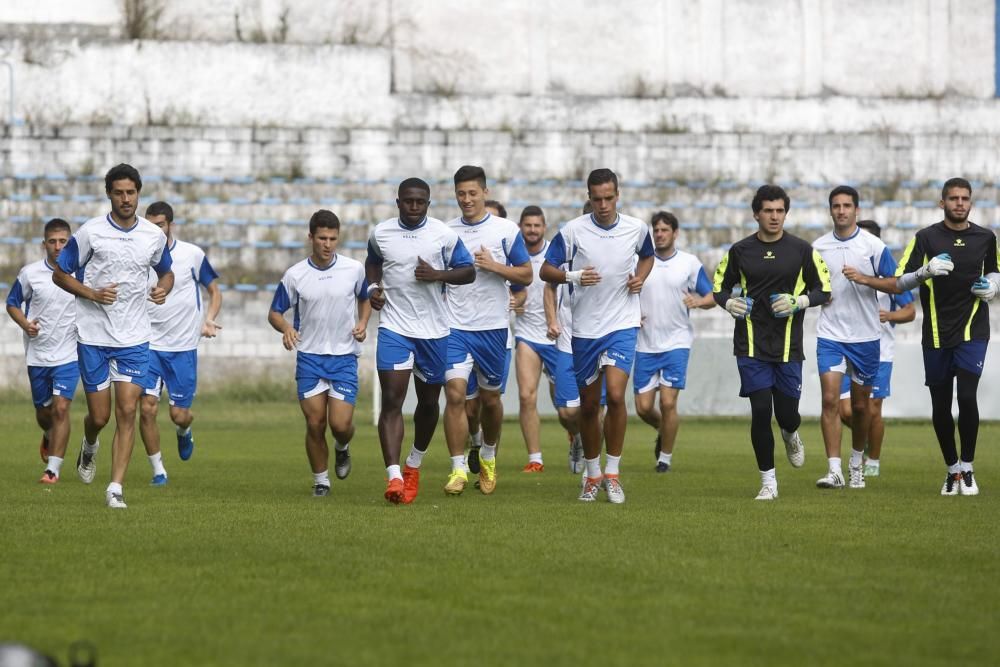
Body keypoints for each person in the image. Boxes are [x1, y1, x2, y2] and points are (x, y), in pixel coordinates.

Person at [844, 177, 998, 496]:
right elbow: (899, 282)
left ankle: (968, 468)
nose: (959, 203)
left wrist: (993, 286)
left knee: (967, 397)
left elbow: (995, 270)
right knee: (940, 405)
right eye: (953, 198)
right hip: (937, 334)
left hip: (973, 330)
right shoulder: (926, 237)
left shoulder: (985, 237)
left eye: (964, 198)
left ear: (971, 202)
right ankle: (952, 470)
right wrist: (925, 272)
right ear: (942, 203)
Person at [52, 163, 174, 509]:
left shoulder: (152, 236)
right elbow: (60, 274)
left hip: (135, 337)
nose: (125, 198)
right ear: (109, 194)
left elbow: (167, 273)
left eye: (131, 192)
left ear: (139, 194)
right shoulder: (91, 232)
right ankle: (90, 441)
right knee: (101, 417)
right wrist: (91, 293)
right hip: (93, 335)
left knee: (128, 410)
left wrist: (163, 289)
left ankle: (115, 487)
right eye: (119, 192)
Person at [540, 168, 654, 504]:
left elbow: (647, 256)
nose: (603, 204)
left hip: (621, 323)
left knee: (617, 396)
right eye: (596, 199)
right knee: (589, 406)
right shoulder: (573, 231)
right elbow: (547, 269)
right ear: (588, 198)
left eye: (608, 198)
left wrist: (641, 278)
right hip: (585, 329)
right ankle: (592, 474)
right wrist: (573, 276)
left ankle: (613, 474)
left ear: (618, 195)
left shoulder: (637, 228)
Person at [712, 184, 831, 501]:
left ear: (786, 213)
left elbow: (824, 290)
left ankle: (791, 433)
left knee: (787, 414)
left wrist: (800, 302)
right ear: (756, 214)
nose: (774, 216)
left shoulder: (802, 250)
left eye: (780, 211)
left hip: (789, 346)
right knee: (761, 410)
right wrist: (729, 303)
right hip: (750, 344)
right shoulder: (740, 251)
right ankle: (768, 482)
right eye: (768, 210)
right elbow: (719, 288)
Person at [366, 178, 475, 504]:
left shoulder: (442, 235)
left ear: (428, 203)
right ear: (398, 201)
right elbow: (372, 263)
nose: (414, 207)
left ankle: (414, 463)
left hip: (434, 332)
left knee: (428, 404)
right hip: (395, 329)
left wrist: (439, 275)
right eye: (408, 201)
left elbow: (468, 271)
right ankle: (395, 476)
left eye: (421, 202)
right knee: (392, 400)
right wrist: (373, 289)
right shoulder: (381, 233)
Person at [441, 165, 532, 495]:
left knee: (490, 401)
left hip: (493, 329)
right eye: (461, 194)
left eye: (472, 193)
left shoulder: (505, 230)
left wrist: (494, 266)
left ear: (485, 192)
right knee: (454, 396)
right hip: (454, 327)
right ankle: (458, 469)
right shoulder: (445, 232)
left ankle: (489, 458)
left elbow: (526, 274)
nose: (466, 199)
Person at [810, 186, 908, 490]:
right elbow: (811, 287)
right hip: (830, 335)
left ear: (857, 210)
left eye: (847, 205)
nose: (841, 210)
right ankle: (834, 470)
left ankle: (857, 464)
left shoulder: (874, 246)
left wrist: (865, 279)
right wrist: (816, 297)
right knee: (829, 401)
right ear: (830, 211)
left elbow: (896, 284)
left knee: (863, 408)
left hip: (866, 338)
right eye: (836, 206)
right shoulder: (817, 247)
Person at [269, 210, 370, 496]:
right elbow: (275, 312)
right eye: (322, 238)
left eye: (333, 239)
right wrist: (286, 328)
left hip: (344, 357)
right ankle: (321, 481)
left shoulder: (353, 269)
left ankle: (342, 445)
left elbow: (365, 299)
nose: (327, 244)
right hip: (310, 358)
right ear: (310, 237)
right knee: (315, 423)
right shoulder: (295, 275)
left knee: (340, 425)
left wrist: (362, 323)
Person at [137, 201, 222, 486]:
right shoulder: (137, 254)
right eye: (150, 225)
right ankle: (158, 470)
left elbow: (214, 290)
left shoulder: (192, 255)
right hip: (147, 345)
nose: (155, 231)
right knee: (147, 407)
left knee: (178, 414)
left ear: (170, 225)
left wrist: (209, 318)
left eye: (160, 225)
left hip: (183, 347)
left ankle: (184, 431)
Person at [633, 211, 715, 474]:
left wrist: (698, 302)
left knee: (668, 403)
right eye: (656, 230)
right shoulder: (640, 262)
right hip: (645, 343)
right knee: (644, 408)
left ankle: (664, 460)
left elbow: (712, 294)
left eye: (664, 230)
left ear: (675, 233)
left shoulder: (689, 263)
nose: (659, 234)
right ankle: (662, 429)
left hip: (677, 341)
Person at [836, 219, 915, 478]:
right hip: (848, 347)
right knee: (846, 410)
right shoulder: (845, 273)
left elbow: (910, 311)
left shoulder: (889, 280)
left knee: (873, 408)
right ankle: (866, 439)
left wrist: (889, 317)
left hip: (880, 352)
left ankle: (874, 460)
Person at [5, 218, 80, 484]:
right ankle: (48, 436)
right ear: (44, 244)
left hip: (70, 354)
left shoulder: (81, 273)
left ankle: (53, 469)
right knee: (44, 413)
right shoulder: (30, 273)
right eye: (53, 241)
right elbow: (12, 303)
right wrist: (25, 324)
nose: (58, 246)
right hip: (38, 354)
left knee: (61, 409)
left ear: (71, 243)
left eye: (63, 241)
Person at [512, 205, 582, 472]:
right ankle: (535, 458)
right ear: (521, 227)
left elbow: (556, 287)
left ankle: (575, 437)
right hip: (528, 335)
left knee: (564, 409)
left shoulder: (556, 253)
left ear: (544, 227)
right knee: (526, 396)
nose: (532, 230)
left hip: (558, 336)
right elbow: (515, 290)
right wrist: (515, 301)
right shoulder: (514, 255)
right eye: (527, 225)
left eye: (536, 225)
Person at [465, 198, 516, 474]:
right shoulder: (463, 240)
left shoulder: (507, 243)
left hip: (497, 337)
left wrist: (515, 298)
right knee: (469, 408)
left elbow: (521, 284)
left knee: (491, 402)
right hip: (464, 331)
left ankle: (489, 462)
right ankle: (475, 442)